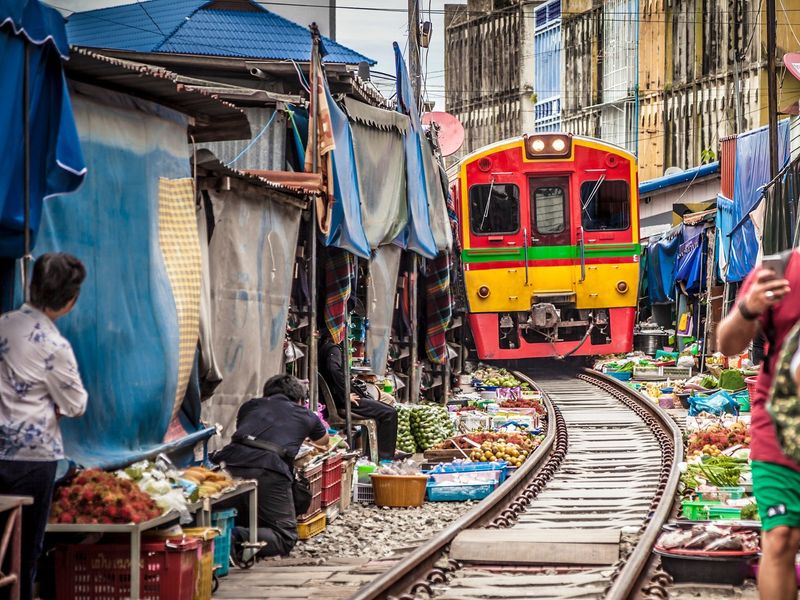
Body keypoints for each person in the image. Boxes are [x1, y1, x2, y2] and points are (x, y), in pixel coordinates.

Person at [0, 253, 88, 600]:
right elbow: (76, 404)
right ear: (70, 301)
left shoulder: (3, 325)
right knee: (22, 554)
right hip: (32, 460)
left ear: (32, 286)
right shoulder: (54, 345)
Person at [717, 250, 798, 600]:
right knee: (780, 537)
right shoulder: (781, 270)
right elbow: (727, 343)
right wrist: (749, 308)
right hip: (778, 430)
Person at [213, 374, 329, 559]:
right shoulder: (306, 415)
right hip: (269, 469)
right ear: (300, 399)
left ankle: (216, 535)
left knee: (234, 512)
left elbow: (248, 431)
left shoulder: (250, 406)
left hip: (228, 464)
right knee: (285, 537)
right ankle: (231, 538)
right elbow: (324, 440)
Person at [318, 335, 406, 462]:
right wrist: (345, 395)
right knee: (389, 413)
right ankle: (385, 458)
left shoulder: (325, 348)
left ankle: (377, 455)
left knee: (385, 409)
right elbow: (334, 369)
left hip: (341, 399)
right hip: (343, 402)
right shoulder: (332, 349)